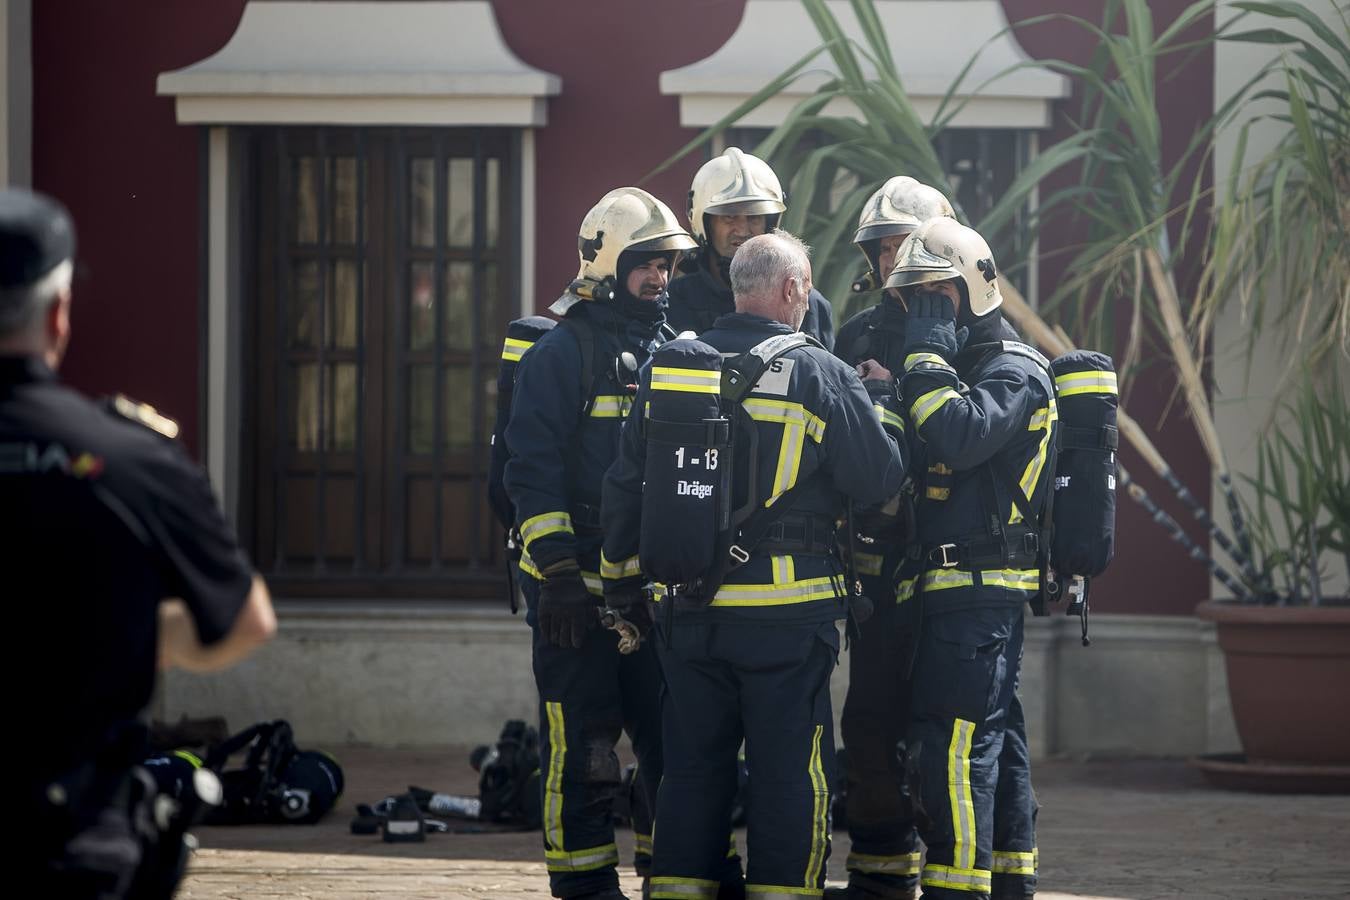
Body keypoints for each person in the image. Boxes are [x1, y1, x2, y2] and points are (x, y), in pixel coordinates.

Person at [601, 231, 908, 900]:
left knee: (689, 768)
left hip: (686, 613)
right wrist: (882, 406)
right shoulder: (819, 371)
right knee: (789, 774)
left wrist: (622, 587)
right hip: (787, 621)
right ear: (794, 291)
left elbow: (624, 486)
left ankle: (680, 891)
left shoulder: (672, 368)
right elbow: (880, 478)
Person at [2, 187, 277, 898]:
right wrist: (131, 629)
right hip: (69, 850)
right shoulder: (130, 459)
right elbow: (246, 622)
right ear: (58, 314)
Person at [502, 187, 696, 900]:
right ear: (609, 263)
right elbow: (531, 468)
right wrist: (554, 573)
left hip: (652, 593)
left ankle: (662, 878)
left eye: (669, 265)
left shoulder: (679, 353)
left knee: (669, 750)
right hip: (574, 594)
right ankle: (584, 889)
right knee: (584, 752)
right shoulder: (562, 352)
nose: (660, 279)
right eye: (646, 263)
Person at [887, 218, 1055, 900]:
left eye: (933, 294)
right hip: (958, 595)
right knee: (996, 746)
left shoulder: (1014, 370)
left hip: (979, 596)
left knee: (954, 750)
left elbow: (959, 436)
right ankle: (1010, 883)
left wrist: (922, 356)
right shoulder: (968, 371)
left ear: (970, 291)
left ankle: (958, 890)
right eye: (911, 298)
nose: (919, 311)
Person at [827, 176, 956, 900]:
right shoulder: (858, 335)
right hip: (879, 566)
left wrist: (899, 391)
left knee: (951, 728)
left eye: (903, 246)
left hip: (950, 563)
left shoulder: (975, 330)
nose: (890, 261)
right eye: (880, 250)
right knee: (868, 717)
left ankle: (974, 869)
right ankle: (879, 872)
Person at [667, 147, 834, 349]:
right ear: (705, 224)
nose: (743, 230)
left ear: (770, 223)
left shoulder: (806, 302)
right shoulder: (673, 301)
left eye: (754, 217)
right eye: (729, 217)